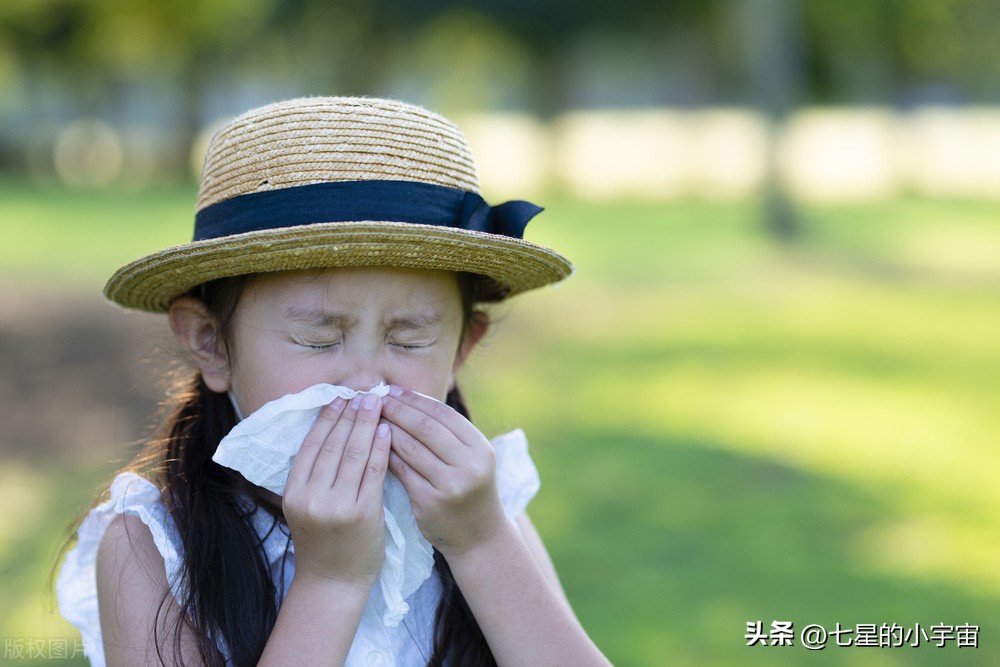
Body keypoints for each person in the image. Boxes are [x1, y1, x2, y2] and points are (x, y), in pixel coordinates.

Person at [56, 96, 610, 667]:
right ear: (210, 342)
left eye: (410, 337)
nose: (365, 380)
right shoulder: (149, 549)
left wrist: (482, 544)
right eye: (319, 340)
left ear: (461, 348)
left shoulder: (484, 509)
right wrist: (330, 582)